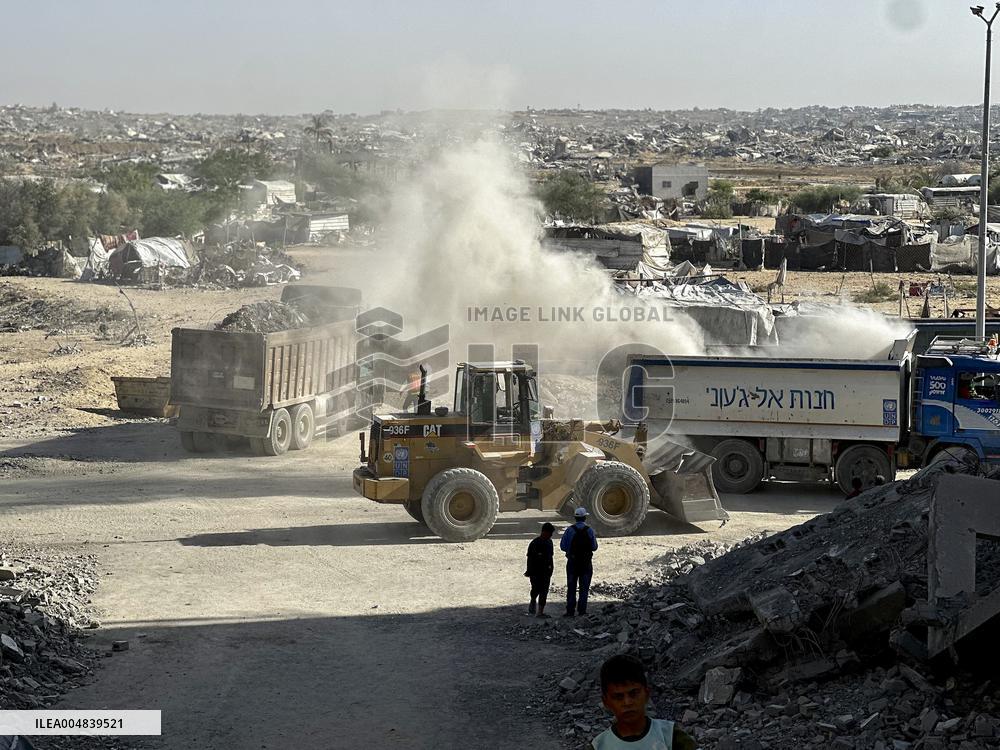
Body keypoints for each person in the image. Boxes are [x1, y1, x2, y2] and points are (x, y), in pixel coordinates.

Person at [592, 654, 696, 750]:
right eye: (618, 697)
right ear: (606, 702)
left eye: (634, 693)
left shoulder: (669, 735)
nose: (627, 702)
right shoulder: (599, 746)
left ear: (646, 694)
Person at [560, 507, 597, 617]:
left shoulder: (569, 530)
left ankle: (570, 611)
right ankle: (582, 610)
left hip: (572, 563)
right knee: (584, 588)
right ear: (585, 517)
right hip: (586, 564)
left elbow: (562, 546)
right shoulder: (589, 530)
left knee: (571, 587)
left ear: (575, 518)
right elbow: (594, 547)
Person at [525, 522, 555, 617]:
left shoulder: (549, 542)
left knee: (544, 591)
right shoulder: (535, 543)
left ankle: (540, 611)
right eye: (549, 534)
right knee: (535, 589)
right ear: (544, 532)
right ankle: (533, 601)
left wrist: (551, 569)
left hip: (546, 572)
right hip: (535, 572)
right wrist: (529, 571)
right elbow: (530, 559)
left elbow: (550, 557)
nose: (550, 536)